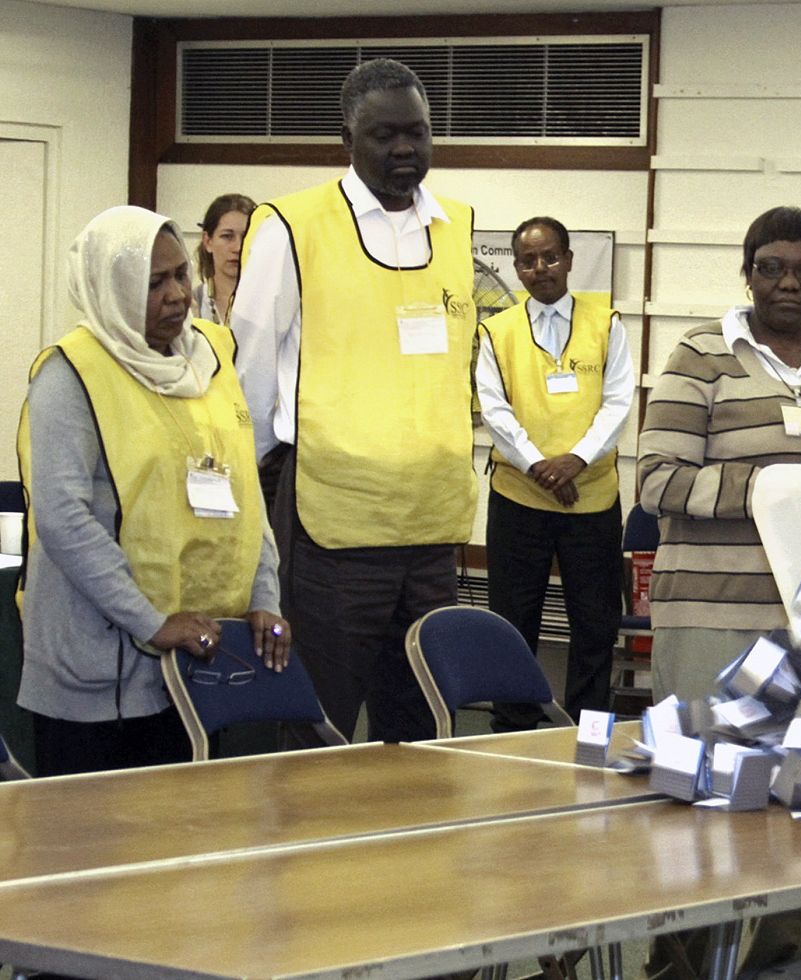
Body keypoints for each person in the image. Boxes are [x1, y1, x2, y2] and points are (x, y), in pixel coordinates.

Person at [637, 205, 801, 979]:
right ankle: (679, 970)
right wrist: (775, 488)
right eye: (772, 266)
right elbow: (655, 481)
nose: (789, 283)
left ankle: (779, 969)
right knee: (702, 816)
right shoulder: (700, 356)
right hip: (711, 620)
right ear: (746, 271)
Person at [232, 57, 477, 744]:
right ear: (347, 138)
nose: (406, 150)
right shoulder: (292, 225)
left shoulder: (454, 226)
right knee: (319, 724)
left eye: (419, 134)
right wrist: (256, 497)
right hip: (329, 523)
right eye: (385, 135)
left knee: (425, 724)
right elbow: (249, 369)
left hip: (430, 527)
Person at [16, 205, 290, 778]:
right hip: (99, 670)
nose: (178, 295)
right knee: (88, 849)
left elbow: (244, 490)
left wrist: (264, 597)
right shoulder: (70, 374)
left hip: (194, 660)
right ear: (109, 288)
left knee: (180, 844)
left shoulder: (210, 360)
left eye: (180, 275)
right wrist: (152, 620)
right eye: (153, 282)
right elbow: (64, 519)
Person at [476, 216, 634, 729]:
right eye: (527, 260)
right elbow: (494, 409)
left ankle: (588, 734)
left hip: (590, 500)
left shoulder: (607, 323)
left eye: (549, 257)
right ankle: (511, 729)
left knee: (594, 624)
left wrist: (576, 461)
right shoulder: (495, 330)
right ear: (517, 268)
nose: (539, 268)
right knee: (512, 624)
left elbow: (617, 402)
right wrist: (540, 466)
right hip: (519, 497)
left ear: (568, 259)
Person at [192, 193, 256, 324]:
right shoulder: (192, 304)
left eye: (246, 237)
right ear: (208, 241)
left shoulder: (270, 305)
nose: (238, 247)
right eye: (227, 236)